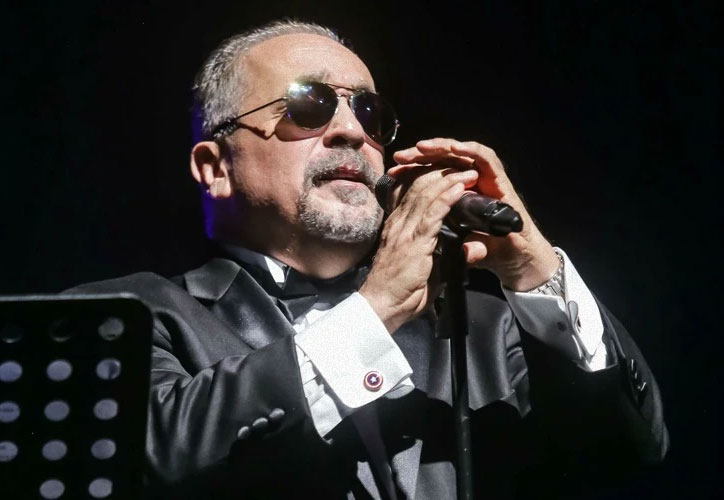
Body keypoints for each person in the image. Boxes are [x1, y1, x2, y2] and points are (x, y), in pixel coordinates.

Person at [72, 20, 668, 499]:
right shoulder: (126, 315)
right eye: (308, 106)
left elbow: (628, 452)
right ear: (215, 168)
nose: (352, 132)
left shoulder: (483, 328)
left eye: (368, 113)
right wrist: (374, 309)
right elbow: (146, 462)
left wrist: (534, 270)